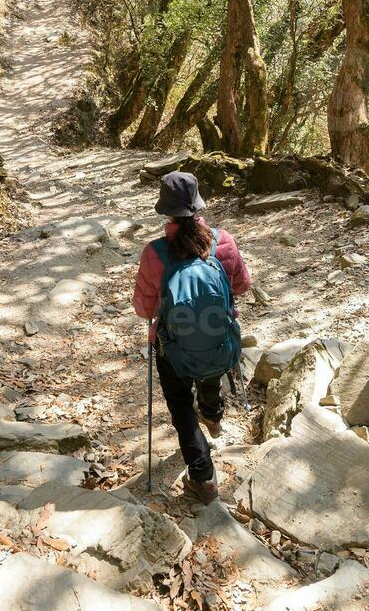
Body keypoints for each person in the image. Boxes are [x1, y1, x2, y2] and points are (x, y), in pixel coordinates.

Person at [133, 171, 251, 502]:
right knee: (211, 365)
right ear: (198, 205)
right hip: (216, 337)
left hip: (173, 348)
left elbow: (144, 308)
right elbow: (242, 285)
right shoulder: (222, 241)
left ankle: (204, 478)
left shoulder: (154, 253)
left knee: (182, 407)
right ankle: (213, 416)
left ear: (166, 211)